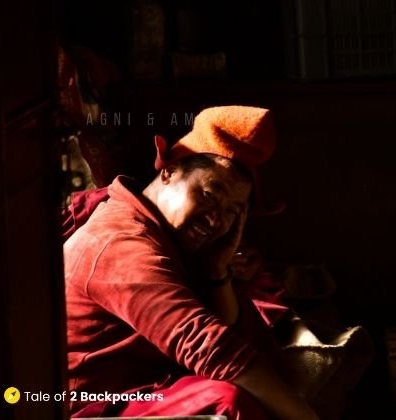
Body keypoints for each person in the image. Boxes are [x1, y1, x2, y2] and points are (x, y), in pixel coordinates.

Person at [64, 105, 319, 419]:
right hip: (91, 405)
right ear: (169, 171)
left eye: (232, 212)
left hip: (150, 387)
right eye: (211, 195)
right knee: (225, 399)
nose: (217, 220)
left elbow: (231, 335)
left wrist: (216, 273)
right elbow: (209, 347)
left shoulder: (170, 237)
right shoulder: (118, 242)